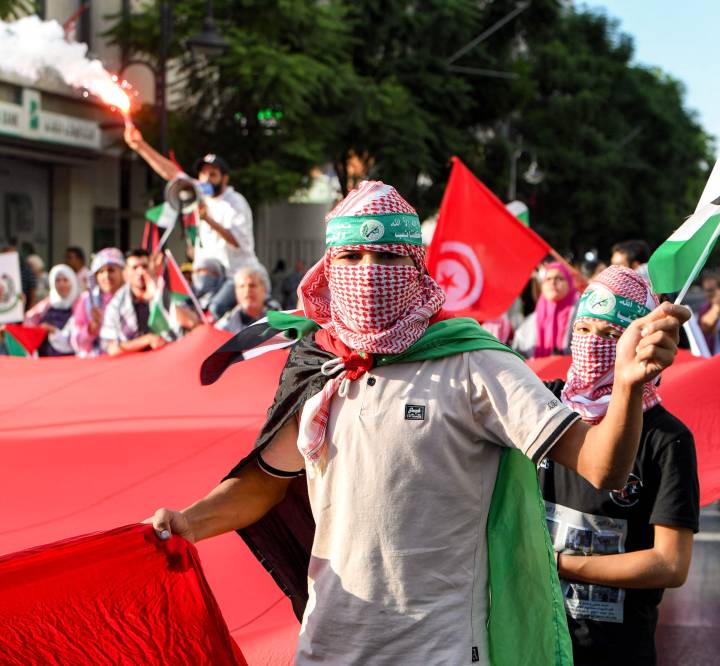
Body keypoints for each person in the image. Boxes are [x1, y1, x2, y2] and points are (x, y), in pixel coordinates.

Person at [147, 181, 688, 665]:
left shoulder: (477, 364)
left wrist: (627, 384)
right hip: (328, 644)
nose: (366, 272)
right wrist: (189, 524)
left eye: (385, 256)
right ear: (329, 265)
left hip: (442, 649)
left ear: (415, 265)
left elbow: (602, 467)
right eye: (351, 255)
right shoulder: (323, 367)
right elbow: (265, 484)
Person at [538, 265, 698, 665]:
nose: (593, 344)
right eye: (585, 329)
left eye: (612, 335)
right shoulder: (544, 405)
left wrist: (559, 565)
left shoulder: (666, 438)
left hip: (615, 649)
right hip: (537, 638)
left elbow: (670, 564)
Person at [124, 126, 257, 318]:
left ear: (224, 179)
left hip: (235, 276)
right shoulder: (199, 193)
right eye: (203, 174)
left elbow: (240, 242)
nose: (206, 179)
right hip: (207, 276)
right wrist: (141, 146)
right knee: (181, 308)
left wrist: (209, 221)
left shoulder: (236, 203)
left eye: (213, 175)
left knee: (215, 310)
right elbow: (172, 174)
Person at [100, 249, 167, 355]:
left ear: (152, 268)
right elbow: (111, 348)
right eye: (135, 268)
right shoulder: (115, 305)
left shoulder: (163, 293)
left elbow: (184, 324)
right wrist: (146, 340)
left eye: (144, 266)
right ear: (125, 273)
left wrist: (157, 296)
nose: (141, 272)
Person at [512, 261, 579, 358]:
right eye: (548, 279)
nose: (553, 282)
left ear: (569, 283)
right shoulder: (529, 323)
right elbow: (518, 357)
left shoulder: (582, 316)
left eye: (559, 278)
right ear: (542, 285)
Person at [71, 248, 126, 357]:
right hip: (95, 365)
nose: (106, 276)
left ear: (122, 272)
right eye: (101, 272)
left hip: (127, 362)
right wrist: (91, 329)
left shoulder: (132, 297)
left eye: (111, 270)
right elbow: (76, 343)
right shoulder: (87, 301)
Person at [23, 264, 80, 357]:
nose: (61, 284)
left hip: (70, 360)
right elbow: (28, 322)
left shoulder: (79, 305)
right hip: (46, 358)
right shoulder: (45, 305)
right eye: (57, 280)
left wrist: (53, 331)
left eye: (65, 280)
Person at [215, 265, 278, 334]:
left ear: (264, 290)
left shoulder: (281, 321)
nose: (247, 290)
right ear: (236, 292)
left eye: (252, 285)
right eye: (242, 286)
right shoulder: (224, 327)